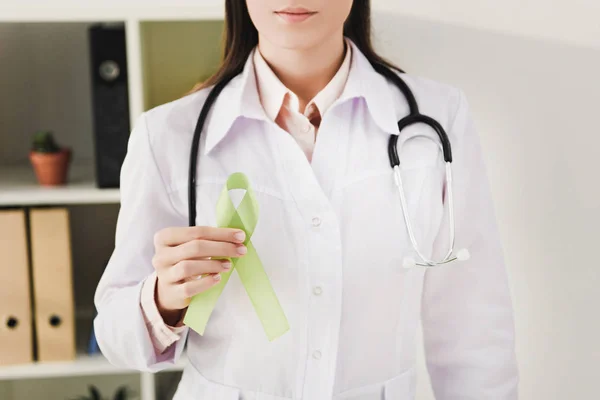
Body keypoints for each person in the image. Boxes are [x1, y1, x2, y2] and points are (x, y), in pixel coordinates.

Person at [93, 0, 519, 399]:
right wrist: (164, 300)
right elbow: (116, 339)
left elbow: (474, 330)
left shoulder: (439, 118)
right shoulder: (168, 134)